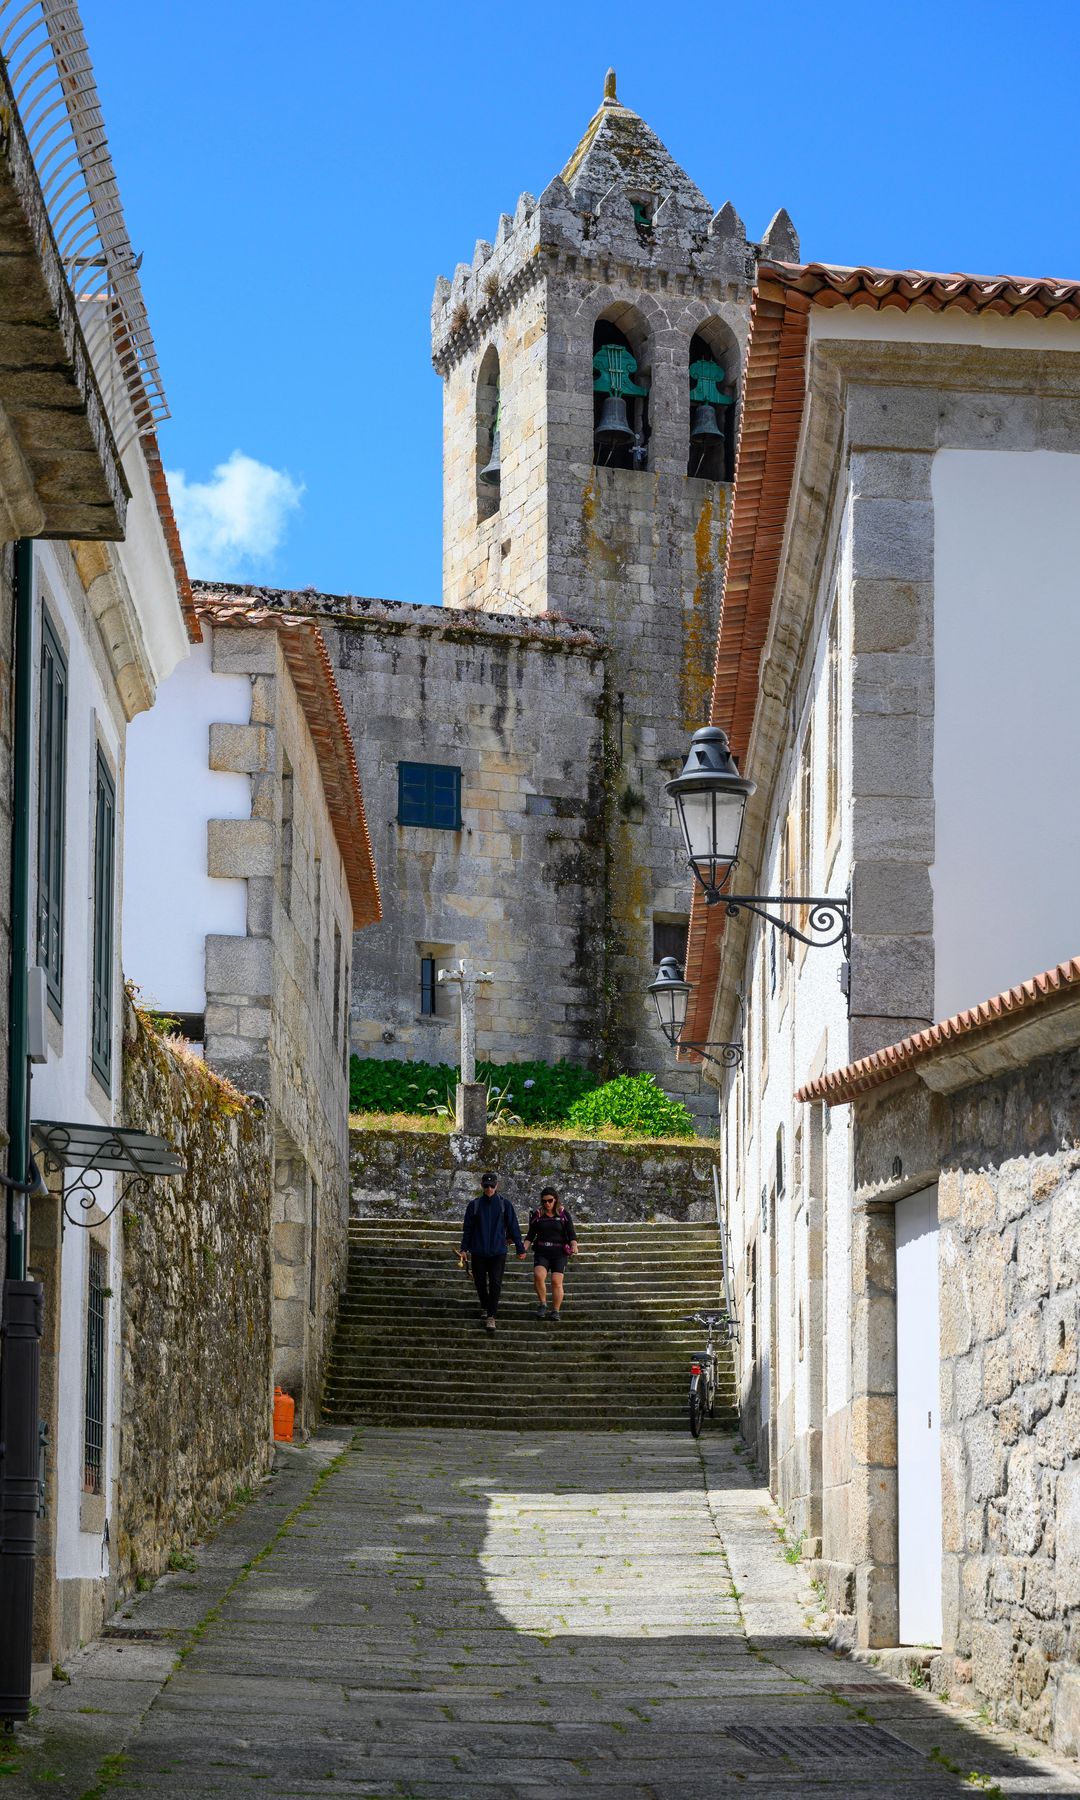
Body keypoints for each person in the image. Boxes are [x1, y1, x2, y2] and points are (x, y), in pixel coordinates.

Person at [458, 1171, 525, 1333]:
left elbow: (514, 1226)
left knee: (495, 1283)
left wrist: (519, 1247)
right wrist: (464, 1249)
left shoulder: (505, 1205)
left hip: (498, 1251)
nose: (489, 1189)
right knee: (480, 1282)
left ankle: (491, 1316)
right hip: (478, 1251)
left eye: (492, 1186)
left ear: (497, 1186)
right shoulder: (474, 1205)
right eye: (486, 1186)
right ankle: (486, 1306)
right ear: (481, 1186)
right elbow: (468, 1229)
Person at [525, 1185, 578, 1322]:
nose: (547, 1203)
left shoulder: (563, 1214)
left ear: (555, 1200)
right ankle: (543, 1304)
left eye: (550, 1200)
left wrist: (574, 1245)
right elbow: (531, 1235)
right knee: (538, 1275)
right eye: (544, 1201)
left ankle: (555, 1310)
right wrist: (523, 1248)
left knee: (556, 1281)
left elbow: (571, 1232)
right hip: (542, 1251)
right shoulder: (537, 1215)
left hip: (559, 1252)